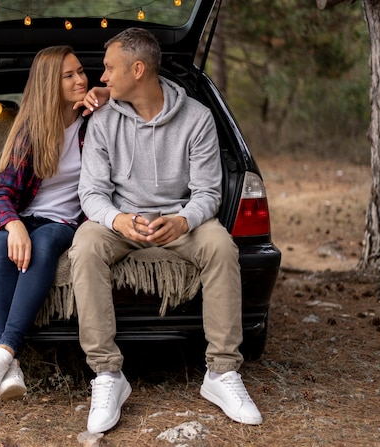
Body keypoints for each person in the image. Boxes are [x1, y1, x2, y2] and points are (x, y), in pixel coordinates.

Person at [69, 28, 263, 433]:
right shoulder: (103, 121)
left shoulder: (197, 118)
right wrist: (118, 220)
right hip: (122, 222)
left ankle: (222, 374)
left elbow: (208, 191)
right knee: (85, 243)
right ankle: (107, 375)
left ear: (137, 70)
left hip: (177, 221)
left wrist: (183, 220)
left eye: (108, 68)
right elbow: (91, 192)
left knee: (221, 245)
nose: (100, 78)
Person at [0, 45, 90, 401]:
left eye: (81, 71)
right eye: (69, 76)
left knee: (47, 241)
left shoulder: (93, 126)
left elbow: (131, 95)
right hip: (15, 220)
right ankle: (12, 363)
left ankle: (2, 353)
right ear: (51, 83)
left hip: (63, 222)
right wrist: (14, 225)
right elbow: (1, 195)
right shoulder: (31, 132)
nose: (81, 79)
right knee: (3, 248)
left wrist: (103, 92)